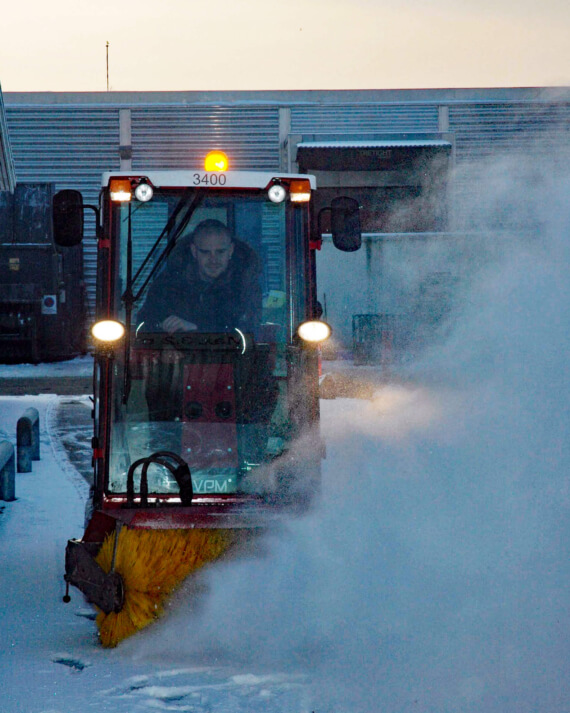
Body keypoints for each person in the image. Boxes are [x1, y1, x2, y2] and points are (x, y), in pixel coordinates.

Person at [137, 219, 262, 334]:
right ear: (194, 251)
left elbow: (248, 335)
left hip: (230, 358)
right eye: (205, 252)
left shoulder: (245, 287)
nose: (213, 260)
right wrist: (165, 341)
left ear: (231, 251)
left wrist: (196, 330)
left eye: (220, 252)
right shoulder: (167, 285)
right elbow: (141, 327)